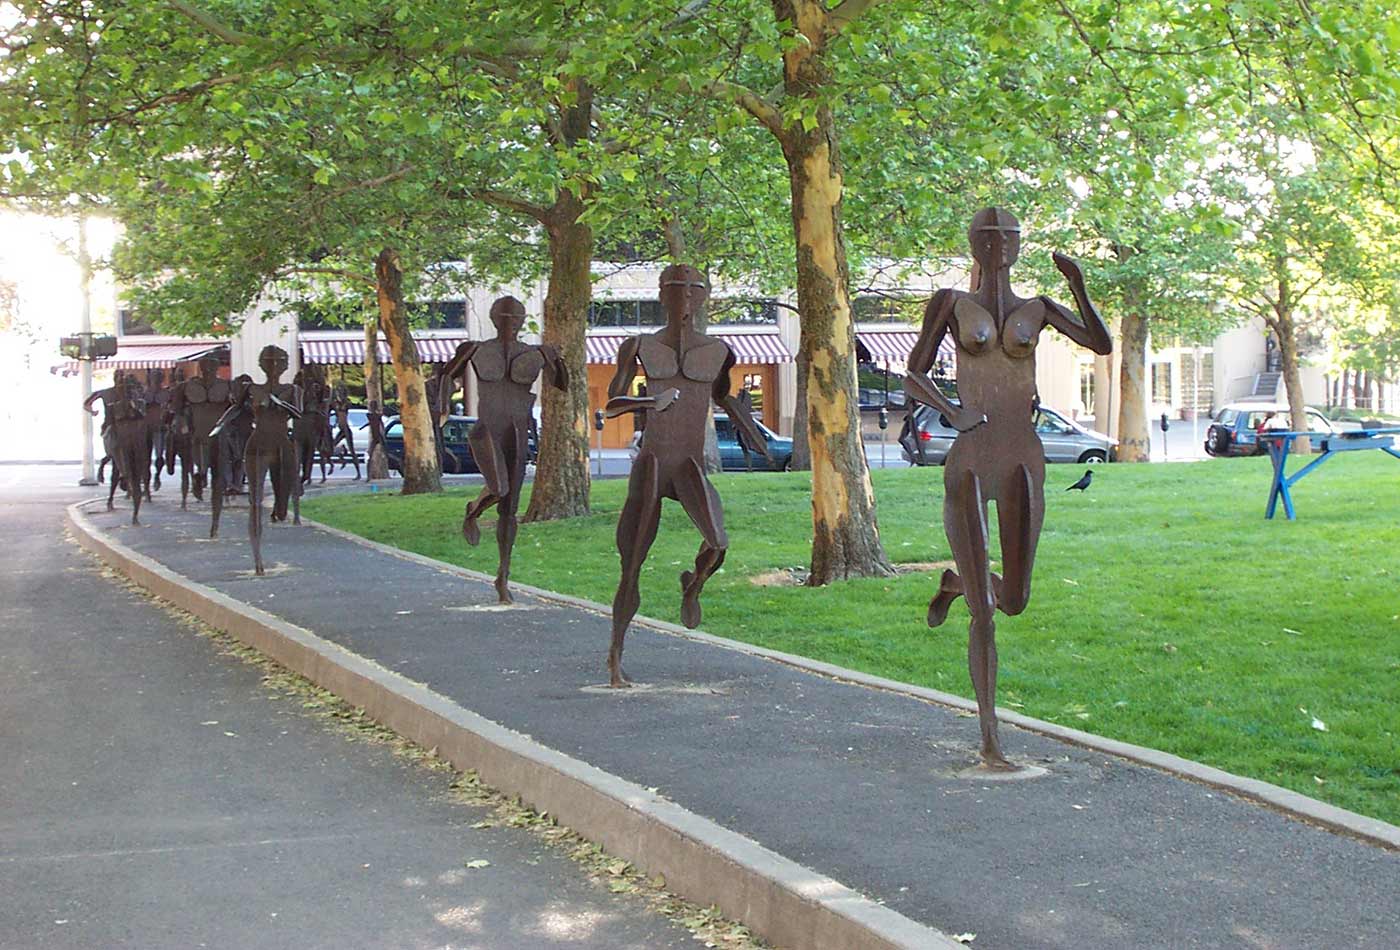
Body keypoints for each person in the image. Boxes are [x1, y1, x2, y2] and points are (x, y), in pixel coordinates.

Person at [903, 208, 1112, 769]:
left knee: (1013, 600)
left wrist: (1079, 285)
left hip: (1022, 455)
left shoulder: (1037, 309)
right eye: (988, 238)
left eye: (1008, 238)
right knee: (986, 613)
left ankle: (954, 583)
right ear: (974, 243)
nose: (999, 246)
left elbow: (1100, 343)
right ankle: (991, 739)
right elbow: (912, 373)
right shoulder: (950, 303)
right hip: (971, 455)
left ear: (1018, 245)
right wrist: (951, 411)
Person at [603, 264, 770, 687]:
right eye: (676, 290)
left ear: (703, 297)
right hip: (653, 466)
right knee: (632, 564)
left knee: (718, 543)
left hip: (689, 466)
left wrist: (744, 419)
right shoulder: (638, 345)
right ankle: (615, 656)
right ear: (662, 295)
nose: (684, 298)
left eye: (694, 290)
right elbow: (611, 405)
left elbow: (721, 396)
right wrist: (647, 405)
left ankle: (692, 584)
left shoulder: (719, 351)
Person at [432, 296, 568, 603]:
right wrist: (442, 408)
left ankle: (503, 576)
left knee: (510, 507)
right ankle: (474, 508)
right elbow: (445, 375)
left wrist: (555, 358)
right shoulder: (476, 349)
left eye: (516, 318)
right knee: (499, 487)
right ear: (495, 320)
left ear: (521, 322)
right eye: (505, 317)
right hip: (488, 430)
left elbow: (563, 384)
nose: (510, 323)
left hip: (518, 433)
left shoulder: (533, 353)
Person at [210, 346, 302, 574]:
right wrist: (220, 425)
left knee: (281, 507)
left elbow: (298, 413)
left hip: (282, 446)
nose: (273, 367)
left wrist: (279, 403)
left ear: (285, 366)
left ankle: (281, 509)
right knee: (255, 501)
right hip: (258, 445)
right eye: (268, 362)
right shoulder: (252, 389)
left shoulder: (292, 389)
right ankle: (257, 558)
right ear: (261, 365)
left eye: (278, 362)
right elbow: (235, 408)